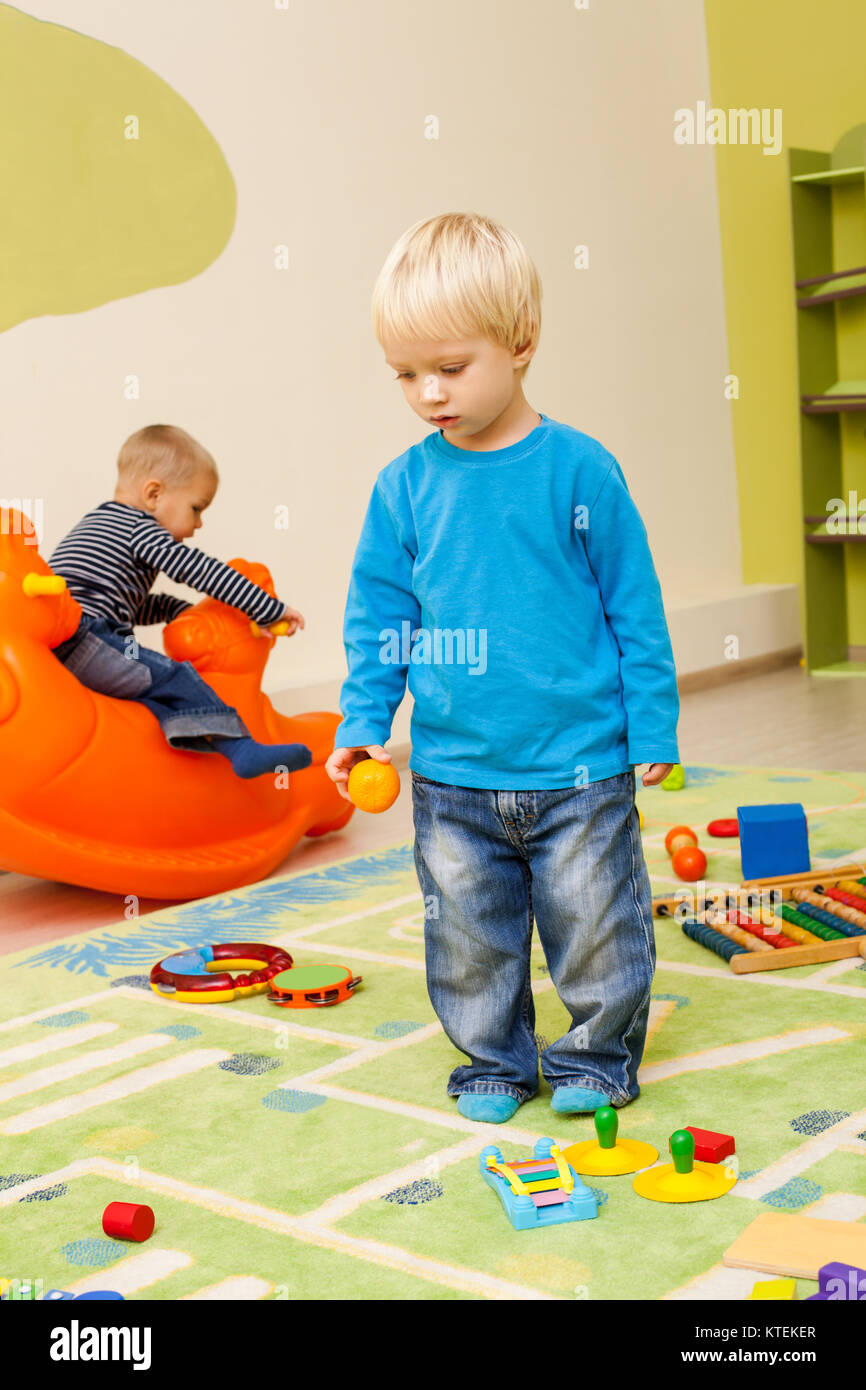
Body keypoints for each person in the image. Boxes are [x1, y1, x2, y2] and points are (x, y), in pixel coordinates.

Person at [325, 212, 681, 1125]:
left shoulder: (579, 471)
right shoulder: (404, 487)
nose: (427, 393)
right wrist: (364, 721)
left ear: (521, 345)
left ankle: (596, 1058)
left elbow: (633, 609)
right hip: (452, 774)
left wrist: (655, 726)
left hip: (581, 768)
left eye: (450, 367)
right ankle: (491, 1061)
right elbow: (381, 621)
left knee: (596, 929)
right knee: (470, 939)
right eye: (405, 375)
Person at [49, 423, 312, 780]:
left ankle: (176, 764)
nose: (199, 523)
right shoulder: (140, 528)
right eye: (196, 508)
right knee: (174, 678)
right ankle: (241, 748)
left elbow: (123, 602)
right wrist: (266, 608)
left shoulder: (99, 521)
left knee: (149, 691)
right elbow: (201, 571)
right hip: (84, 638)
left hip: (61, 638)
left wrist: (178, 610)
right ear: (154, 494)